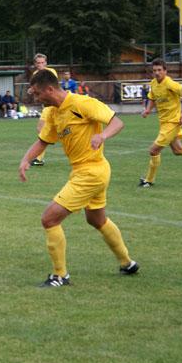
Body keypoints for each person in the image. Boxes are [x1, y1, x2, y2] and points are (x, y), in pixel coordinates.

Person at [18, 69, 138, 287]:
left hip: (91, 172)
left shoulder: (82, 103)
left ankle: (60, 276)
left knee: (49, 219)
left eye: (37, 94)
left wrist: (102, 135)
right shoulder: (54, 113)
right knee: (96, 220)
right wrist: (26, 160)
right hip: (86, 171)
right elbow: (43, 141)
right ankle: (127, 263)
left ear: (50, 89)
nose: (35, 98)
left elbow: (117, 122)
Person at [139, 59, 182, 187]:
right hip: (164, 122)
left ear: (165, 71)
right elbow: (152, 97)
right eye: (154, 70)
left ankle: (149, 180)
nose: (157, 73)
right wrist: (148, 110)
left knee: (153, 150)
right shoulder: (154, 83)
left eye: (159, 70)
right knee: (178, 151)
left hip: (172, 123)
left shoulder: (170, 84)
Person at [30, 53, 58, 166]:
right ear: (35, 64)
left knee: (41, 128)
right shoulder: (35, 74)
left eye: (42, 62)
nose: (40, 65)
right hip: (47, 105)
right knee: (45, 129)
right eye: (38, 63)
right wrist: (32, 90)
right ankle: (39, 158)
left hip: (53, 104)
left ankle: (39, 158)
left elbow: (50, 86)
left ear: (46, 63)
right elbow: (36, 88)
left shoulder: (51, 72)